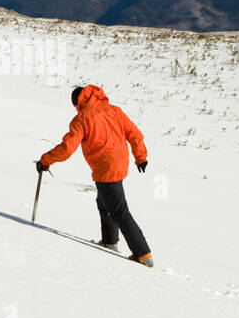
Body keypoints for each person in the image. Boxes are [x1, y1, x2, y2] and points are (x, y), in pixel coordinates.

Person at [37, 85, 153, 267]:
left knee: (119, 211)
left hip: (106, 168)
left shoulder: (82, 118)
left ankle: (143, 254)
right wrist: (140, 157)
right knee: (104, 202)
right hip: (120, 163)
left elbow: (67, 148)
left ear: (77, 103)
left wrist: (46, 160)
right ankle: (109, 241)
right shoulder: (114, 110)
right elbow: (134, 133)